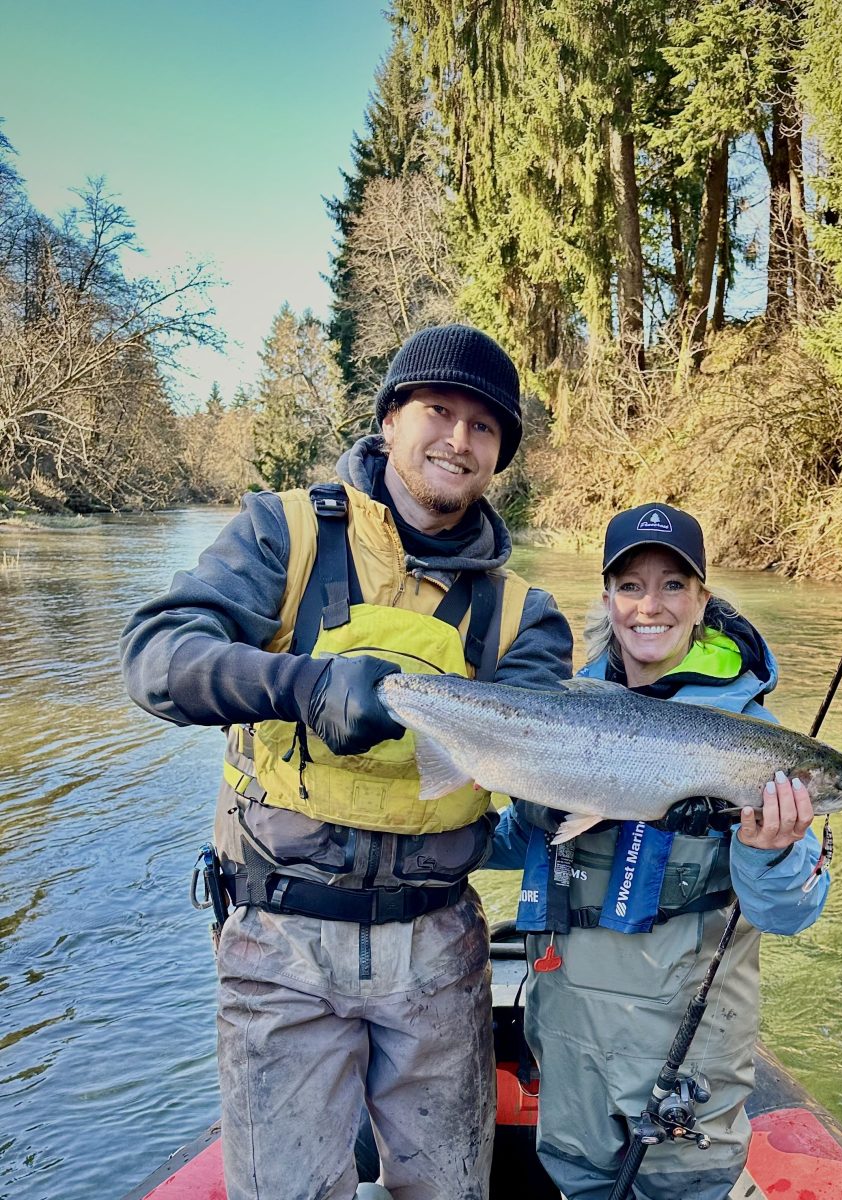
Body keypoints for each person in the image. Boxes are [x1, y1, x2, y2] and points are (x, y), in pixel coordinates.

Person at [120, 324, 572, 1200]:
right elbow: (157, 658)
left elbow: (539, 759)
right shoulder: (279, 532)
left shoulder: (529, 615)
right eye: (438, 412)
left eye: (485, 429)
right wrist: (303, 685)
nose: (459, 440)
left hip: (440, 945)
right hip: (275, 937)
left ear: (499, 457)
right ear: (391, 419)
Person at [487, 502, 831, 1200]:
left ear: (703, 601)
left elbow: (791, 913)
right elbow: (520, 840)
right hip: (571, 1040)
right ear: (608, 599)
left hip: (685, 1056)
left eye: (674, 585)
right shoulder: (562, 706)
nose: (652, 605)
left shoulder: (754, 741)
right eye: (631, 586)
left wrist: (770, 852)